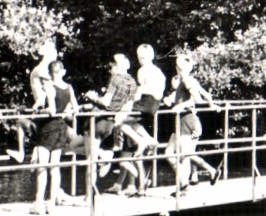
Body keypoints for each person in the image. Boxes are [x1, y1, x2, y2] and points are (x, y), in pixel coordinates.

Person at [115, 42, 167, 194]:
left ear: (150, 56)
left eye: (142, 57)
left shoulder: (143, 71)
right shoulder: (158, 71)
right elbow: (160, 90)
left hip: (146, 100)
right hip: (155, 104)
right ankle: (148, 139)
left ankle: (143, 141)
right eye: (139, 57)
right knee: (133, 124)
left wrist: (131, 101)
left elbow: (141, 89)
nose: (140, 60)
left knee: (119, 120)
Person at [31, 58, 80, 212]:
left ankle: (39, 203)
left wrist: (38, 111)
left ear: (50, 73)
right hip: (61, 127)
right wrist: (66, 112)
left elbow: (51, 109)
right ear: (63, 72)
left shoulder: (49, 85)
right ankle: (51, 203)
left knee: (42, 167)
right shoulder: (68, 87)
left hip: (48, 127)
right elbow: (76, 108)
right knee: (55, 167)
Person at [163, 50, 217, 188]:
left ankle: (202, 174)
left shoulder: (187, 80)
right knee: (171, 153)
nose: (177, 69)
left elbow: (196, 99)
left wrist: (181, 105)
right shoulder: (187, 80)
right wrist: (212, 105)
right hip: (182, 119)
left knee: (184, 155)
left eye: (179, 66)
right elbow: (207, 96)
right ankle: (185, 181)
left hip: (186, 120)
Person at [83, 53, 138, 183]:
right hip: (112, 123)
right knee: (96, 152)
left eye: (111, 66)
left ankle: (89, 195)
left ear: (115, 66)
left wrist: (93, 97)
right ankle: (106, 156)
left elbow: (106, 102)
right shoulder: (132, 81)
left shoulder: (115, 79)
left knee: (90, 159)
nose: (110, 69)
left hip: (100, 121)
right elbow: (128, 105)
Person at [6, 36, 58, 163]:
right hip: (44, 106)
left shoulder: (43, 71)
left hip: (44, 107)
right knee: (23, 123)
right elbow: (44, 93)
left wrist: (36, 107)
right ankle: (28, 152)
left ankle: (23, 152)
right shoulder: (41, 70)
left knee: (20, 121)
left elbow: (44, 94)